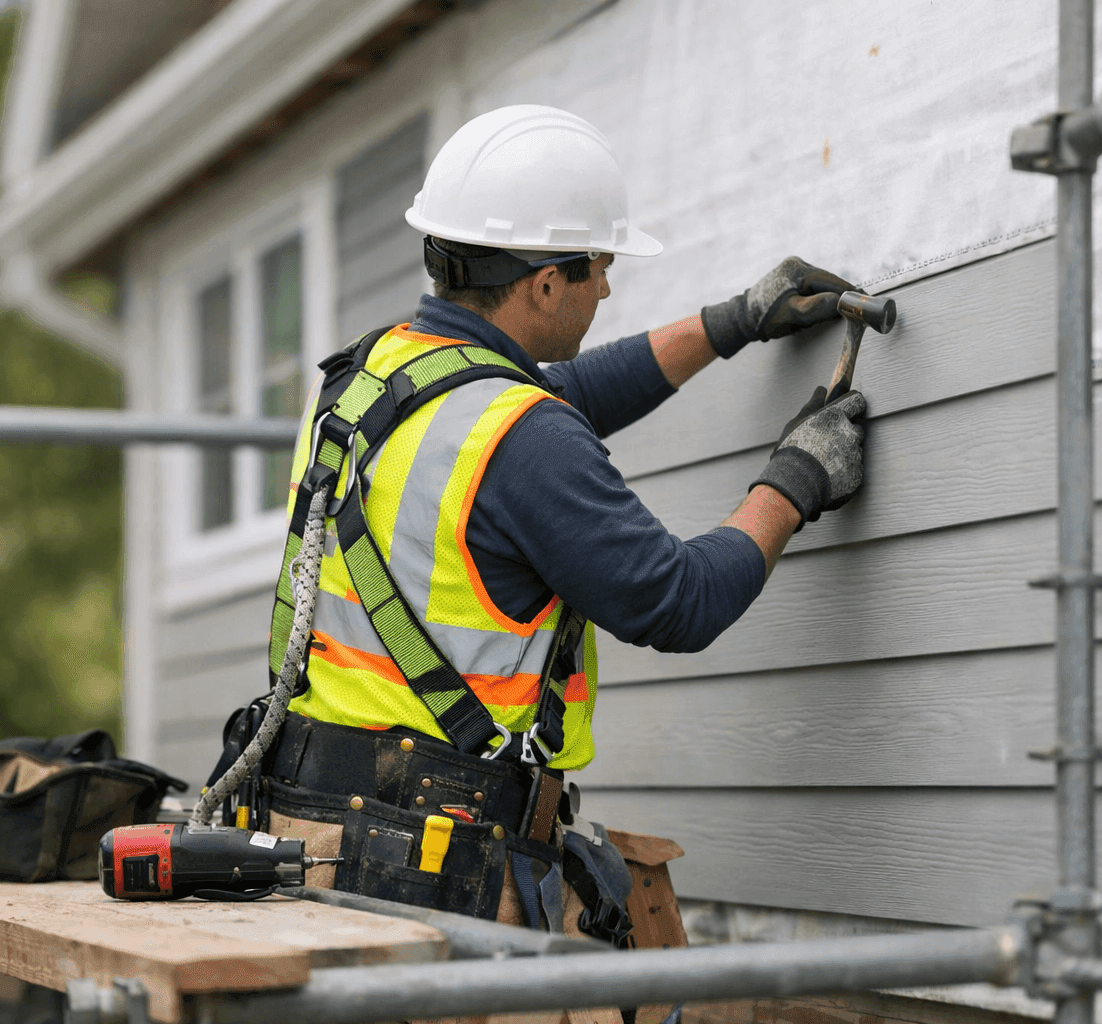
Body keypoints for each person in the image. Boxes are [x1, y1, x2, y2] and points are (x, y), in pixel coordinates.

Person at [251, 105, 867, 964]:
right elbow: (678, 603)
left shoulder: (371, 375)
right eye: (599, 268)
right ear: (546, 283)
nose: (608, 288)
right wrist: (796, 480)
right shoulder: (521, 433)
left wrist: (730, 324)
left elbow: (556, 391)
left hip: (316, 826)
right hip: (437, 864)